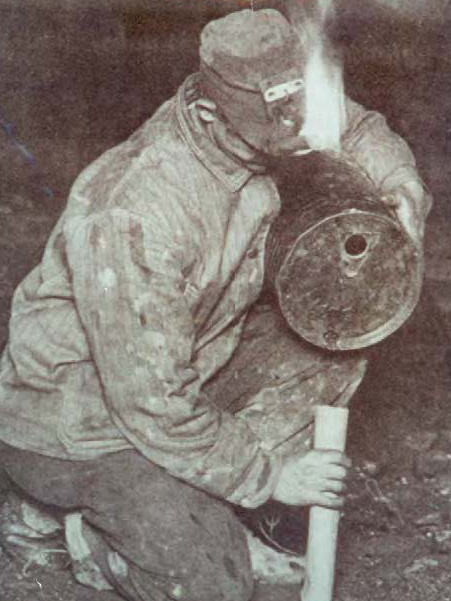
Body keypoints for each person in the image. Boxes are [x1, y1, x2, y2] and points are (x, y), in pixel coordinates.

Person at [0, 8, 431, 601]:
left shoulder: (259, 115)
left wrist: (401, 183)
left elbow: (351, 127)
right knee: (214, 584)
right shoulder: (138, 212)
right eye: (277, 119)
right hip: (82, 421)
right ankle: (74, 529)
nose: (298, 128)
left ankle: (207, 498)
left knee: (335, 331)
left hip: (187, 357)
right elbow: (150, 403)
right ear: (210, 110)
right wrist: (271, 474)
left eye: (299, 106)